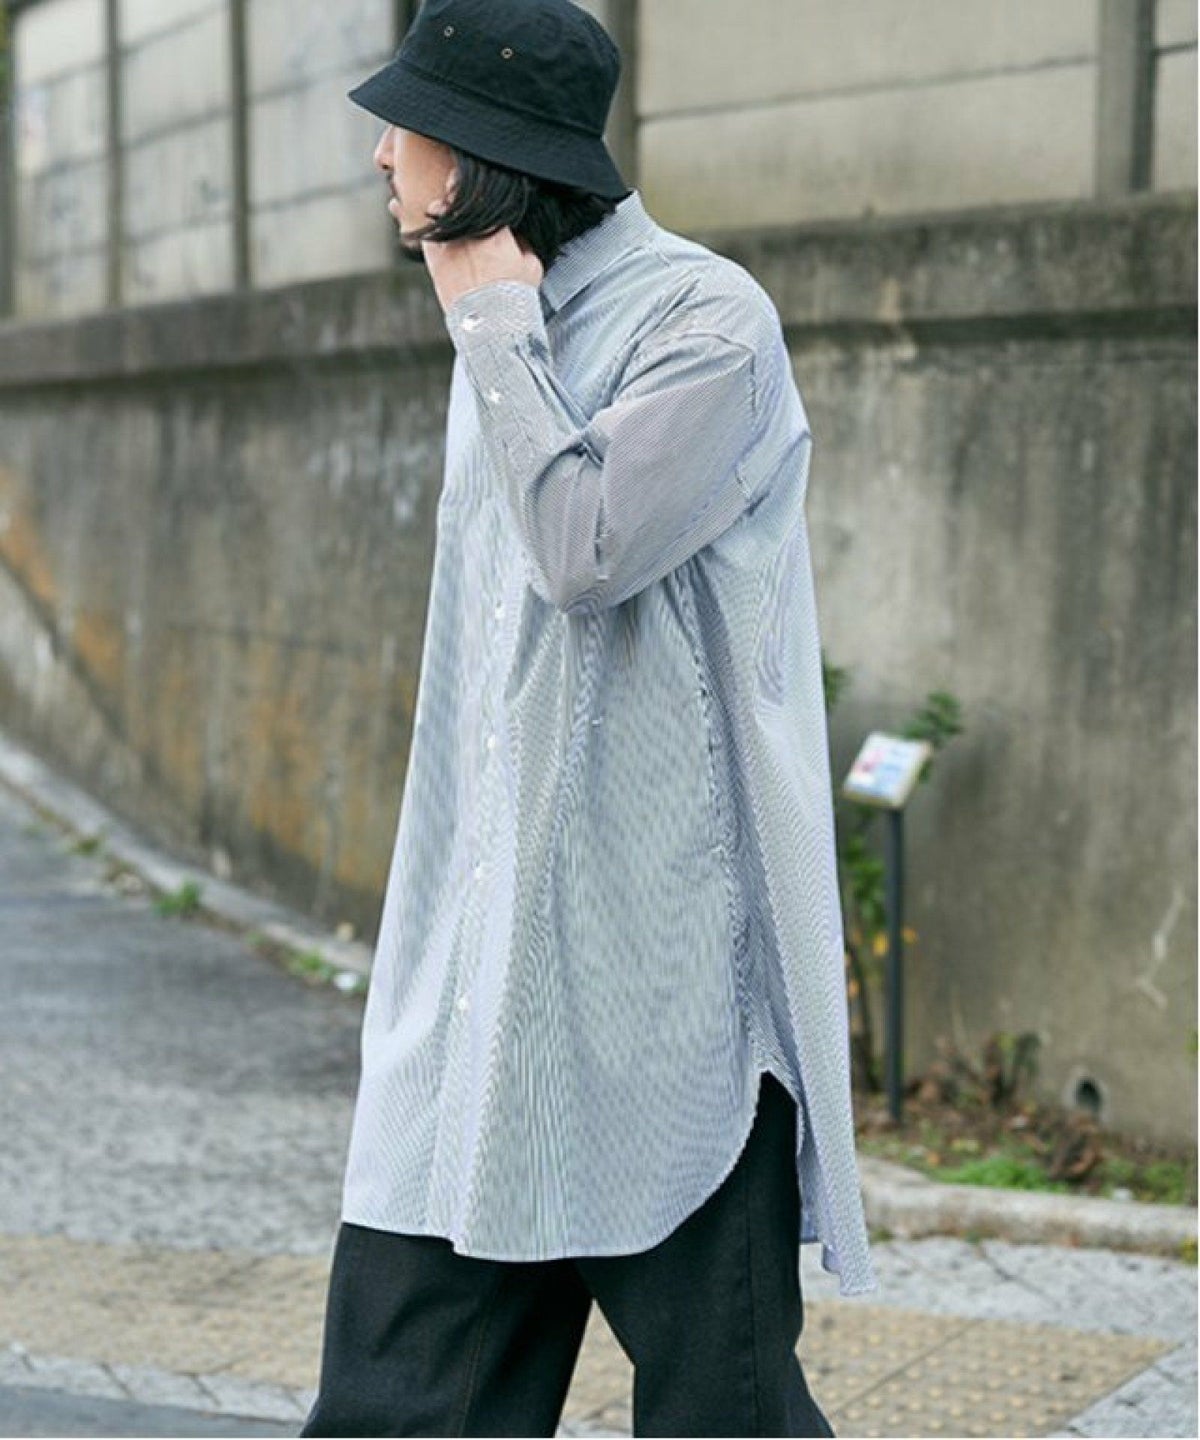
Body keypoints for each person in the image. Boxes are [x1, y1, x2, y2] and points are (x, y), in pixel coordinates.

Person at [301, 0, 878, 1434]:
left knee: (724, 1413)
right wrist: (495, 321)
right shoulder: (497, 318)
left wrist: (495, 323)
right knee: (392, 1412)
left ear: (476, 154)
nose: (381, 156)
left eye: (405, 127)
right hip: (481, 984)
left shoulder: (706, 322)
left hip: (658, 996)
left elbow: (586, 551)